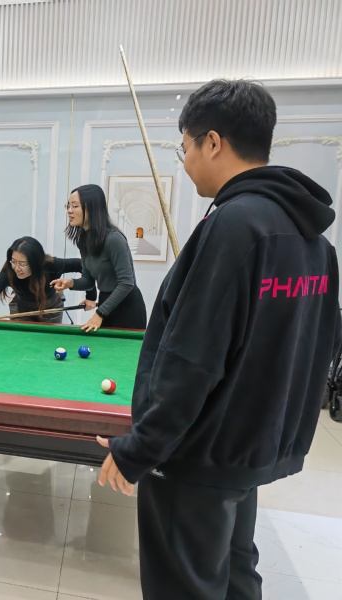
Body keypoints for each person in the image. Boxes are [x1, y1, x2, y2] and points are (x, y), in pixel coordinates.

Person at [97, 79, 342, 600]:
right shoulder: (316, 242)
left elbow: (191, 359)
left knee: (186, 587)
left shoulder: (234, 226)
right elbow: (317, 349)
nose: (185, 162)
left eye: (184, 147)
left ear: (212, 142)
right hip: (246, 450)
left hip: (198, 454)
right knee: (234, 575)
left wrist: (141, 447)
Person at [51, 184, 147, 332]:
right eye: (68, 206)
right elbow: (88, 281)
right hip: (105, 303)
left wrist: (100, 313)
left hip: (127, 308)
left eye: (75, 206)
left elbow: (127, 283)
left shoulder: (114, 239)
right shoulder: (83, 240)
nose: (69, 210)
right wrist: (70, 283)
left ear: (92, 208)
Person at [0, 236, 95, 326]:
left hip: (50, 306)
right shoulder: (10, 271)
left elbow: (85, 267)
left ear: (35, 263)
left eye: (22, 264)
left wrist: (91, 296)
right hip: (22, 307)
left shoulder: (51, 265)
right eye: (13, 261)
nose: (17, 268)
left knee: (47, 342)